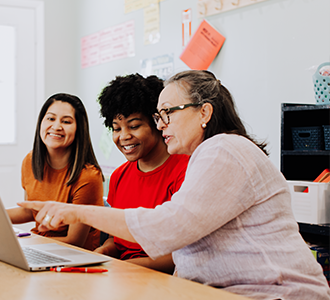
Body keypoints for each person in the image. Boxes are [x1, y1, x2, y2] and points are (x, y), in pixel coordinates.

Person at [18, 71, 330, 300]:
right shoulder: (207, 155)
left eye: (167, 113)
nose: (161, 123)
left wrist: (77, 212)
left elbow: (168, 226)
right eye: (158, 115)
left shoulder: (224, 149)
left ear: (204, 112)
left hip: (275, 294)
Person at [0, 93, 104, 251]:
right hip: (38, 247)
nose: (56, 126)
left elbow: (74, 241)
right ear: (41, 122)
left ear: (79, 129)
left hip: (73, 257)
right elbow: (29, 211)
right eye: (51, 118)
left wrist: (26, 244)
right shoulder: (31, 161)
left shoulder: (88, 176)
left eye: (66, 121)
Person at [95, 74, 189, 273]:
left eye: (134, 126)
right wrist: (104, 252)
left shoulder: (184, 170)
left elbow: (180, 256)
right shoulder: (119, 176)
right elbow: (116, 240)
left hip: (161, 279)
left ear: (158, 122)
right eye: (116, 128)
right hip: (122, 276)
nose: (124, 136)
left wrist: (123, 267)